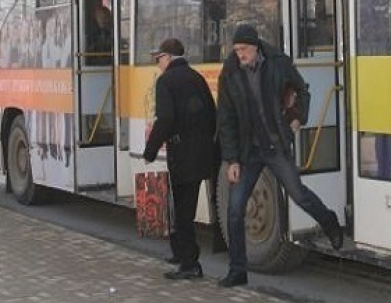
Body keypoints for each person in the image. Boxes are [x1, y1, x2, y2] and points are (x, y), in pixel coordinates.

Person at [216, 24, 343, 288]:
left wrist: (297, 119)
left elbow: (302, 90)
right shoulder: (229, 74)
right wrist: (232, 161)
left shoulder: (277, 63)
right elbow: (225, 119)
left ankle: (330, 222)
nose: (239, 55)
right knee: (235, 209)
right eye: (236, 50)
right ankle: (238, 270)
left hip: (275, 146)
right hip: (247, 152)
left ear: (255, 46)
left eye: (243, 50)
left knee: (299, 195)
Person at [143, 38, 217, 281]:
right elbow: (211, 114)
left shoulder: (166, 81)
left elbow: (165, 119)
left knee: (182, 211)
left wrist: (150, 150)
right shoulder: (196, 77)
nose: (158, 64)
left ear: (168, 57)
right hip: (201, 153)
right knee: (187, 207)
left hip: (181, 154)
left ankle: (189, 263)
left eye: (159, 59)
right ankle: (182, 254)